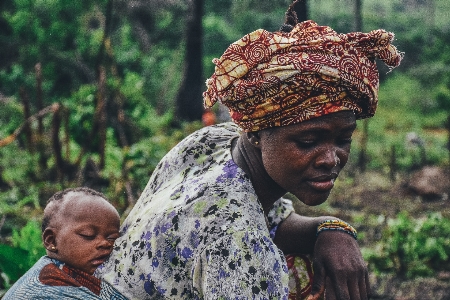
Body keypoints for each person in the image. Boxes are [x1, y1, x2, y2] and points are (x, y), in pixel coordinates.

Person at [98, 3, 403, 300]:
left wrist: (333, 229)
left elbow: (273, 219)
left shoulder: (212, 142)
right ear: (256, 132)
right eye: (308, 141)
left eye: (343, 139)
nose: (330, 159)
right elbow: (244, 227)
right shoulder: (238, 242)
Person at [3, 187, 127, 299]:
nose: (105, 243)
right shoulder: (44, 292)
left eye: (112, 237)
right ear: (51, 240)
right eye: (88, 235)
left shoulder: (76, 275)